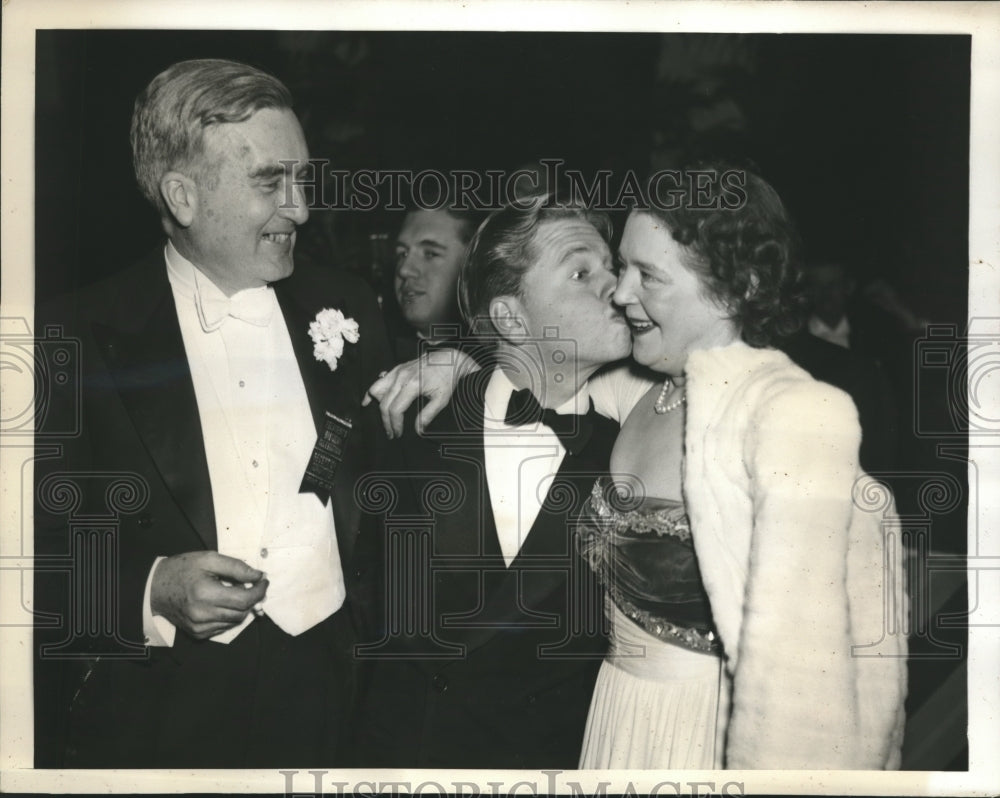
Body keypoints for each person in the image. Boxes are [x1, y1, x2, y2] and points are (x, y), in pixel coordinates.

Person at [367, 165, 908, 769]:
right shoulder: (638, 396)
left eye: (642, 274)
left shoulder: (787, 413)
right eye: (608, 270)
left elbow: (823, 673)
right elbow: (536, 366)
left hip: (701, 736)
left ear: (736, 286)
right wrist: (455, 356)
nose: (621, 292)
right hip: (605, 730)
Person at [33, 59, 392, 768]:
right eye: (269, 182)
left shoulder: (350, 308)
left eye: (301, 179)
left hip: (334, 698)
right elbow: (24, 551)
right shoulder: (70, 337)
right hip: (157, 715)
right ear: (183, 196)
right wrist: (151, 588)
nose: (300, 208)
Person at [354, 196, 636, 769]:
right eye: (583, 272)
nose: (617, 287)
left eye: (614, 267)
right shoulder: (408, 421)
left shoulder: (633, 455)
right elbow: (358, 615)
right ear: (510, 317)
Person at [389, 204, 485, 362]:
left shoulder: (499, 368)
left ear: (473, 263)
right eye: (402, 253)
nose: (404, 270)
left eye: (430, 254)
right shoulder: (374, 353)